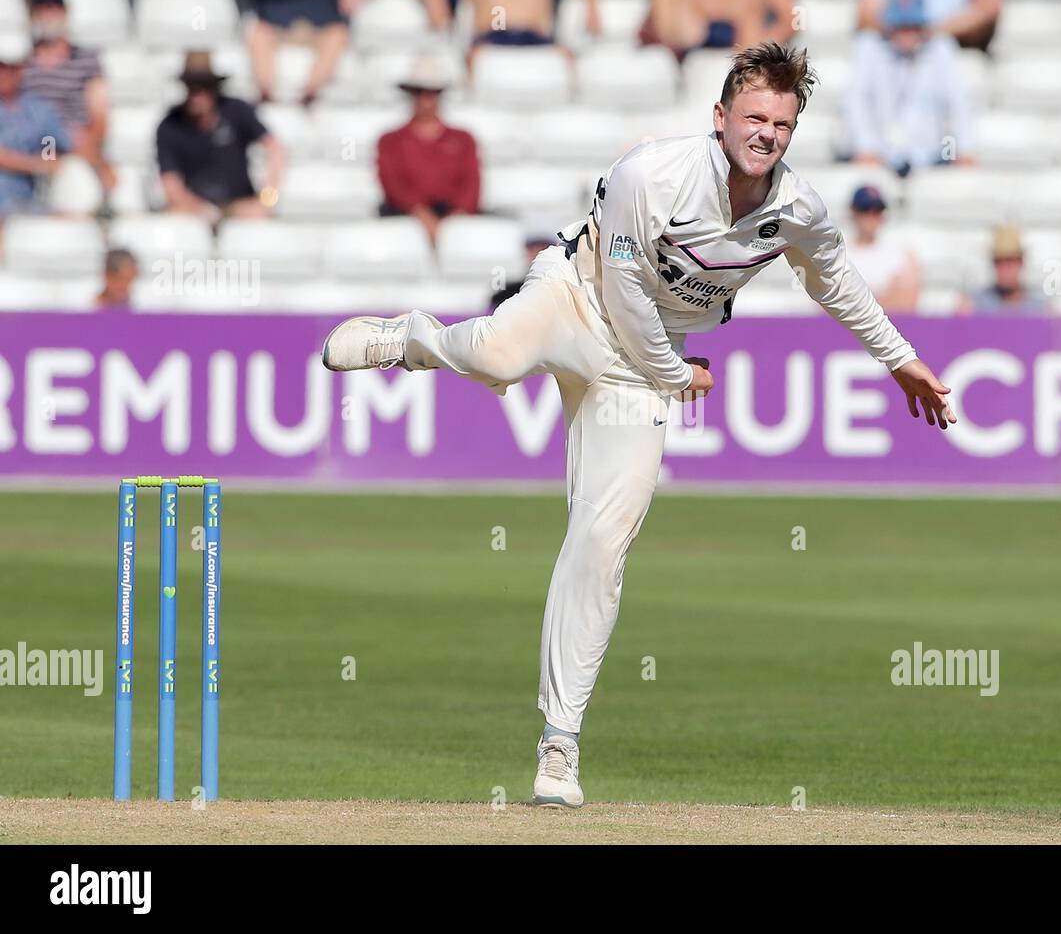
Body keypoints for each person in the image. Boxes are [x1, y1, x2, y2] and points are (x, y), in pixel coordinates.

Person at [320, 42, 954, 809]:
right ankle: (412, 338)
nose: (767, 134)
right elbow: (621, 285)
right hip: (576, 297)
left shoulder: (797, 208)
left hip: (643, 367)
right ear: (720, 117)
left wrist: (899, 358)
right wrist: (673, 375)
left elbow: (837, 282)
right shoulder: (649, 173)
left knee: (602, 539)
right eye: (754, 117)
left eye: (783, 124)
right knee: (495, 351)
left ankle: (559, 744)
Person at [843, 0, 974, 175]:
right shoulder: (870, 47)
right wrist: (866, 146)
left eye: (913, 26)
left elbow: (958, 102)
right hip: (879, 156)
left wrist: (964, 149)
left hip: (929, 157)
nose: (907, 33)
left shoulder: (940, 49)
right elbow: (856, 100)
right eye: (901, 26)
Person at [156, 53, 286, 222]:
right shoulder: (170, 125)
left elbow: (275, 149)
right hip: (194, 209)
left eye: (203, 86)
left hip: (240, 207)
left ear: (214, 87)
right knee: (174, 217)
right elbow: (171, 186)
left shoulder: (237, 111)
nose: (197, 94)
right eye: (191, 87)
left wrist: (267, 197)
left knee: (259, 217)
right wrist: (205, 211)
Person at [375, 54, 480, 244]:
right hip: (406, 217)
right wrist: (421, 215)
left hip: (453, 218)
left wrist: (454, 220)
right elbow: (393, 185)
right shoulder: (391, 141)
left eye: (430, 93)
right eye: (418, 92)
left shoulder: (463, 140)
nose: (425, 99)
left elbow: (471, 185)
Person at [21, 0, 113, 193]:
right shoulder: (22, 63)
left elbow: (100, 117)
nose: (49, 15)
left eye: (54, 9)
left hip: (75, 143)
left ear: (65, 13)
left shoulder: (86, 60)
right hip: (35, 145)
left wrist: (81, 146)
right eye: (43, 9)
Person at [249, 0, 362, 105]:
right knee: (259, 35)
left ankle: (309, 96)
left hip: (322, 27)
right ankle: (267, 97)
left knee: (337, 36)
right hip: (277, 25)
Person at [0, 37, 68, 223]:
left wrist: (46, 160)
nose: (5, 74)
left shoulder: (38, 108)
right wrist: (34, 164)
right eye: (1, 67)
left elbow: (51, 143)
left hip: (26, 199)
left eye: (11, 68)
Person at [642, 0, 795, 57]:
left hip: (746, 65)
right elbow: (662, 26)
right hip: (686, 67)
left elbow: (795, 19)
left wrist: (764, 45)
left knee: (751, 24)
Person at [459, 0, 601, 55]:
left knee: (565, 56)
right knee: (475, 56)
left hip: (536, 37)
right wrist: (437, 0)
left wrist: (592, 12)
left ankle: (571, 101)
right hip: (492, 37)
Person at [857, 0, 1004, 50]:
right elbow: (867, 14)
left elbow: (991, 2)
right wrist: (906, 31)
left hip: (953, 41)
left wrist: (929, 33)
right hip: (894, 45)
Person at [845, 185, 921, 313]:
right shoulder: (840, 255)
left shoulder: (901, 253)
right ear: (854, 212)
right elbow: (825, 305)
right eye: (865, 209)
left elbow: (909, 301)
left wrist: (853, 300)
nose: (872, 216)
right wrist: (887, 296)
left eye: (877, 210)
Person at [965, 225, 1046, 313]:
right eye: (1000, 262)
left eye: (1010, 262)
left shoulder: (1039, 309)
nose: (1005, 269)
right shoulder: (974, 305)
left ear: (1021, 263)